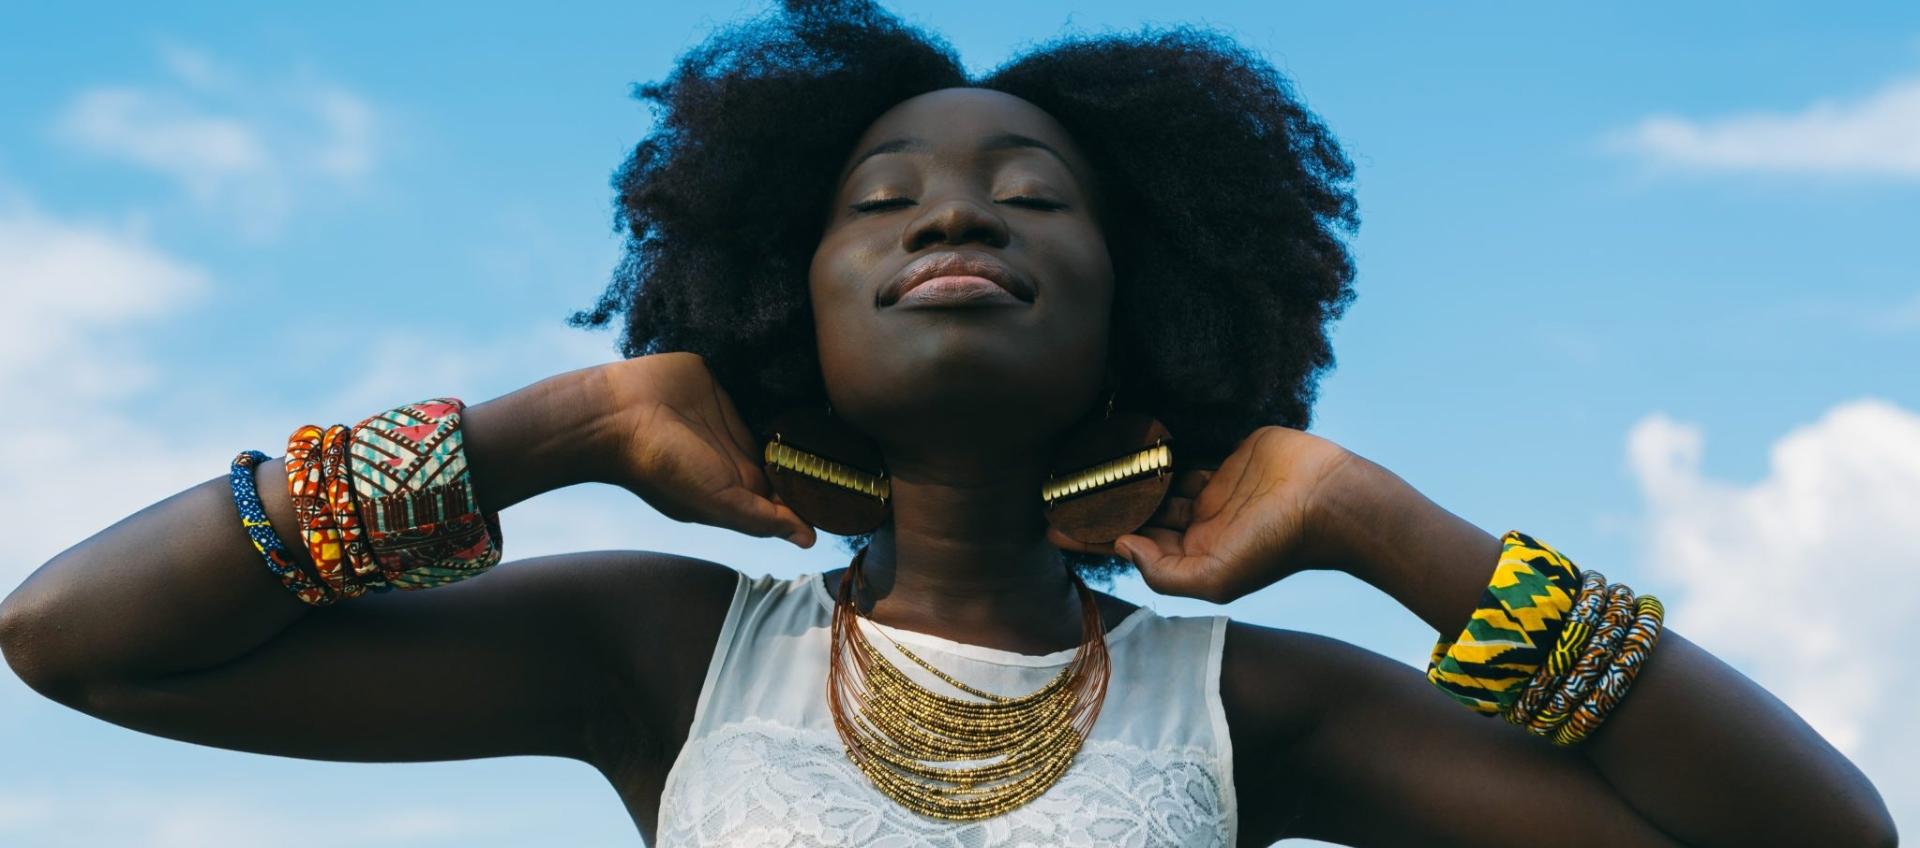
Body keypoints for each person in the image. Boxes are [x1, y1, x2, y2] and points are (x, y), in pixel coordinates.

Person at [0, 1, 1897, 845]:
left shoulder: (1248, 710)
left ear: (1141, 313)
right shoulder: (663, 653)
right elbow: (70, 639)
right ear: (781, 306)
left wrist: (1387, 531)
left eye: (1028, 194)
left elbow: (1816, 838)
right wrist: (555, 426)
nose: (956, 213)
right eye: (881, 200)